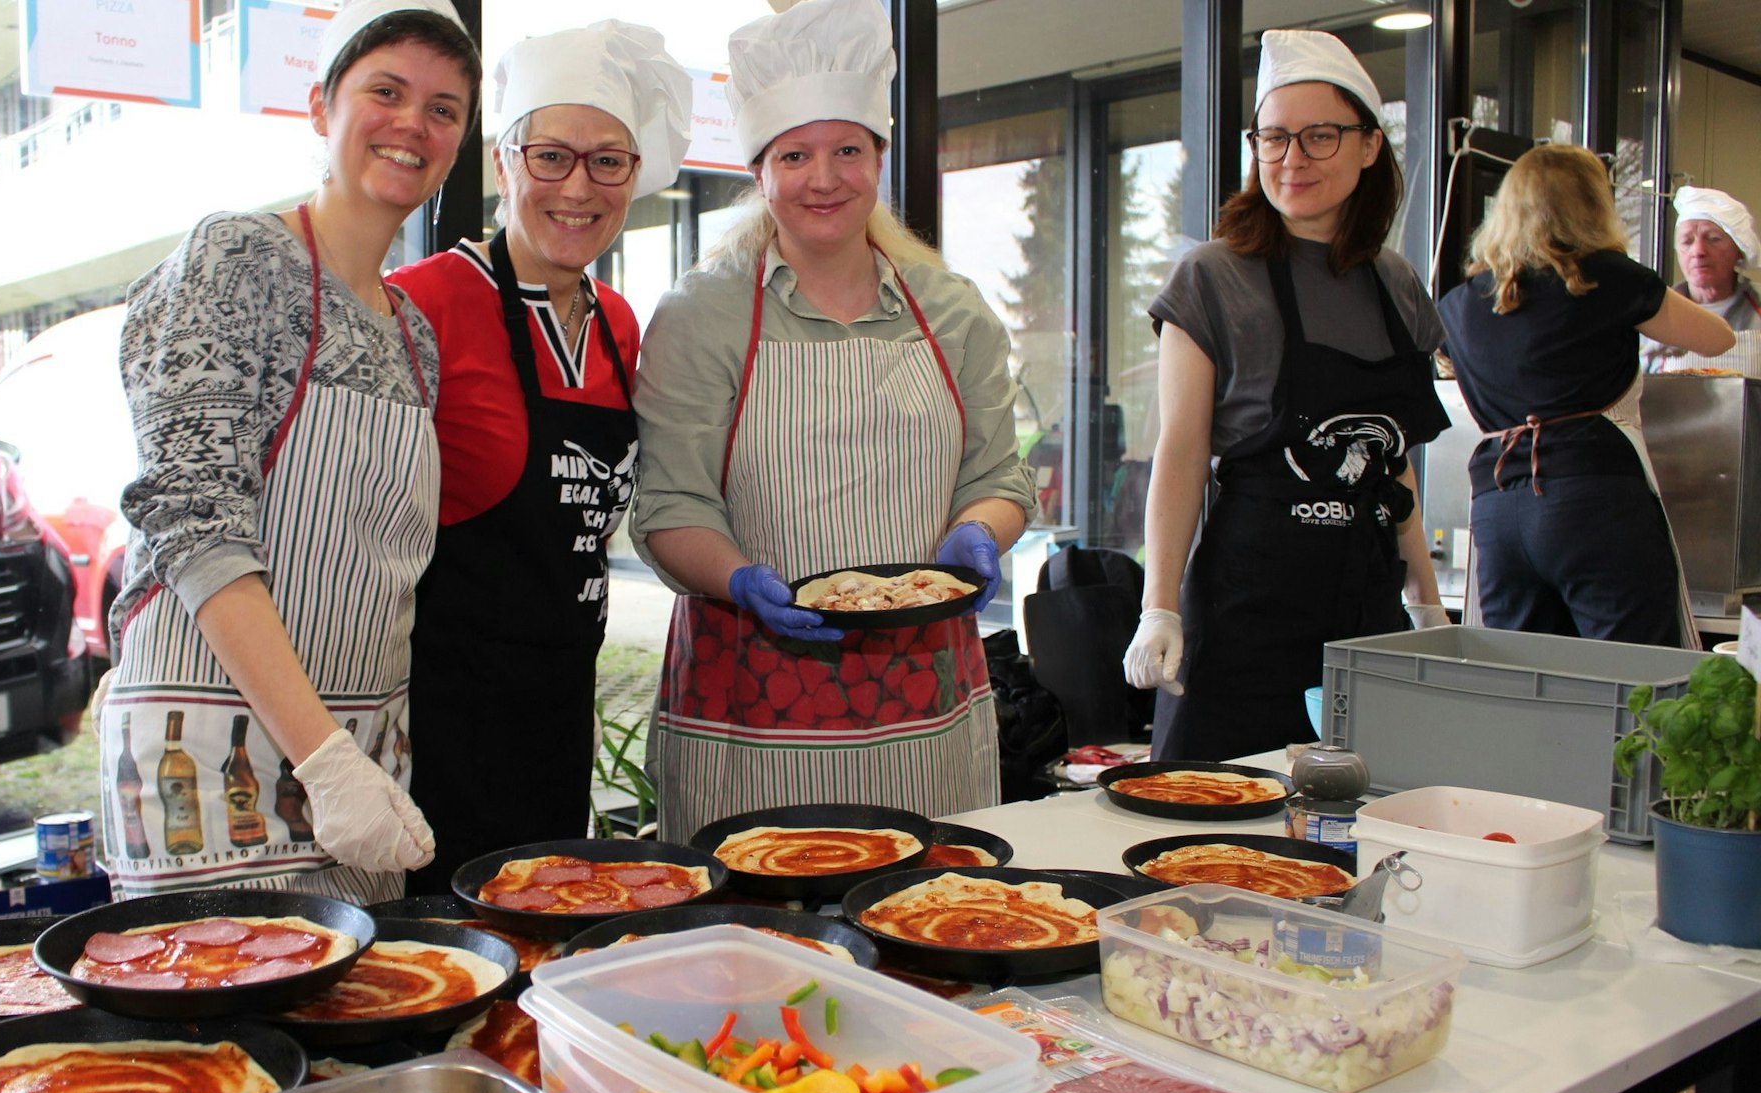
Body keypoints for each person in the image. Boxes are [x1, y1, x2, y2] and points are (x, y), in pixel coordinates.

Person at [96, 0, 479, 902]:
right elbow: (192, 520)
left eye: (442, 108)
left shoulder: (412, 335)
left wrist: (357, 764)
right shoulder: (234, 259)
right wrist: (322, 754)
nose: (412, 124)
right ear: (320, 107)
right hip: (209, 766)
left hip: (362, 774)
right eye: (385, 91)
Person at [630, 0, 1036, 848]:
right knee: (753, 948)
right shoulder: (703, 313)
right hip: (750, 713)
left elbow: (998, 476)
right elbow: (671, 505)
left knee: (935, 914)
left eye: (847, 149)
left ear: (878, 159)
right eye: (795, 154)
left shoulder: (950, 310)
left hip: (926, 711)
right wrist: (740, 578)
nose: (824, 178)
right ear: (760, 169)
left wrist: (976, 537)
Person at [386, 22, 691, 894]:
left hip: (561, 708)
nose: (578, 187)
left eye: (608, 162)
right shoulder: (425, 303)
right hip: (436, 722)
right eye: (550, 155)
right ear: (503, 160)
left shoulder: (621, 323)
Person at [1122, 30, 1450, 763]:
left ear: (1370, 146)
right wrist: (1159, 605)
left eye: (1319, 136)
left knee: (1360, 827)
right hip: (1248, 612)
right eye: (1272, 138)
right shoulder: (1212, 278)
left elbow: (1389, 464)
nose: (1291, 160)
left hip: (1367, 611)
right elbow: (1177, 453)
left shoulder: (1396, 286)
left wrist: (1426, 600)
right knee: (1210, 828)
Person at [1438, 145, 1732, 648]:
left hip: (1497, 508)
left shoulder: (1460, 304)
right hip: (1594, 498)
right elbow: (1718, 338)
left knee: (1526, 676)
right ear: (1594, 205)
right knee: (1633, 678)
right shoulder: (1608, 277)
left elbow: (1452, 373)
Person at [1642, 185, 1759, 375]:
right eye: (1687, 241)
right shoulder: (1653, 313)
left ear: (1739, 249)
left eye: (1713, 239)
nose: (1698, 251)